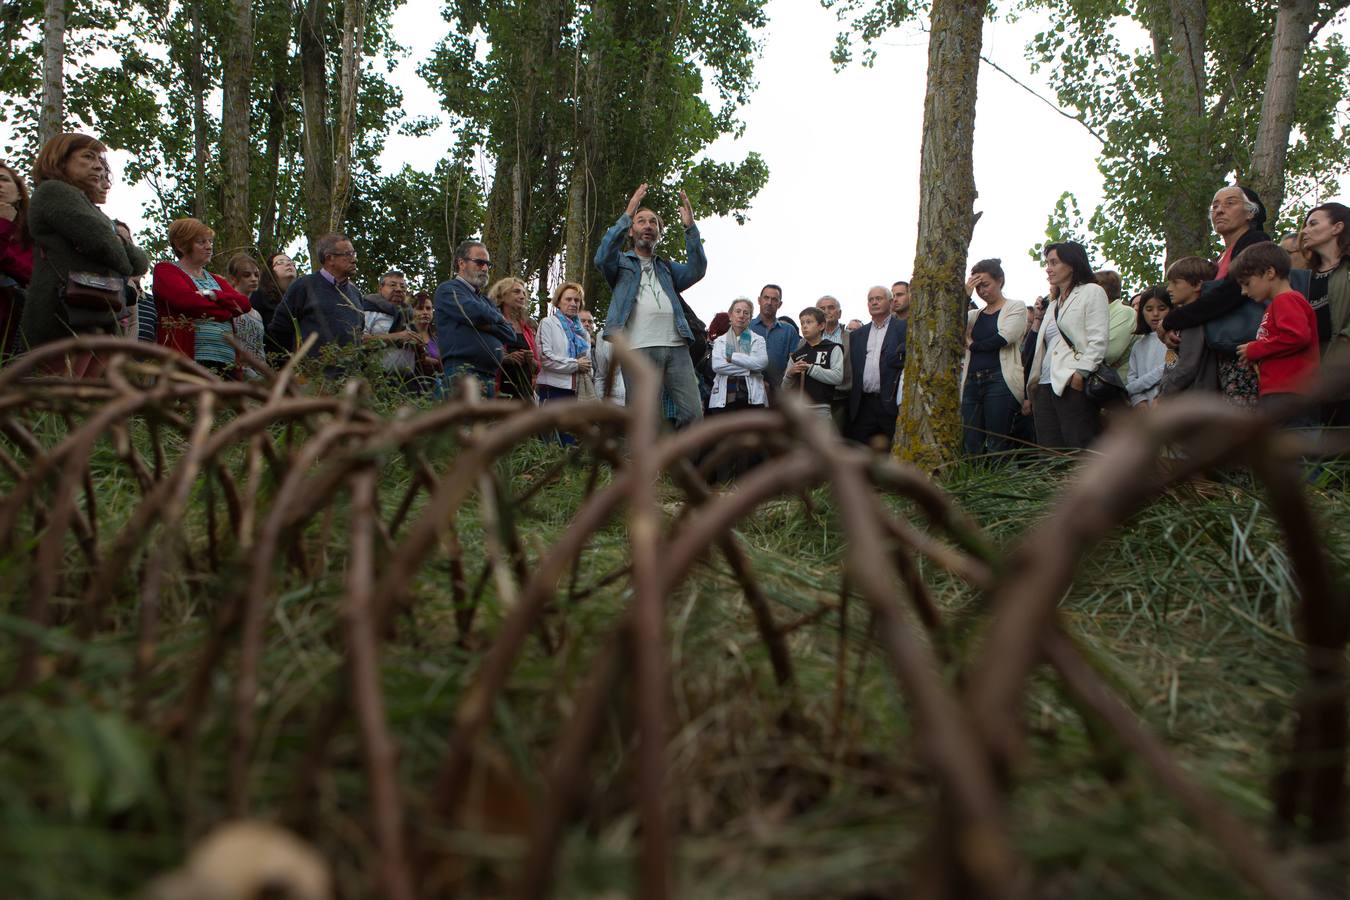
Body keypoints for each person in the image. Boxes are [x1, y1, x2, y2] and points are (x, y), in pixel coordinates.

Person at [20, 133, 149, 376]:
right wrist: (118, 244)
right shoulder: (54, 191)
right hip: (63, 316)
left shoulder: (90, 207)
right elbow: (110, 249)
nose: (99, 165)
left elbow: (139, 263)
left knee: (88, 400)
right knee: (60, 396)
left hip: (91, 314)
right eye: (88, 157)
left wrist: (117, 244)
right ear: (59, 161)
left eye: (99, 159)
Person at [595, 182, 706, 427]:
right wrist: (628, 211)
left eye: (653, 222)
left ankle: (675, 461)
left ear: (659, 232)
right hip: (638, 348)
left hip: (676, 346)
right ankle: (644, 465)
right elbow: (602, 257)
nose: (648, 225)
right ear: (632, 231)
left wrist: (690, 228)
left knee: (694, 413)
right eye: (641, 221)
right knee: (642, 418)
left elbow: (697, 270)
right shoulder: (621, 264)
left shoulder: (666, 268)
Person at [1161, 185, 1272, 409]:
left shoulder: (1255, 242)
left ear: (1251, 212)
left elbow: (1230, 293)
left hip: (1245, 355)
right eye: (1215, 206)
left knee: (1242, 428)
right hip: (1222, 356)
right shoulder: (1221, 258)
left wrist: (1172, 320)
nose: (1219, 210)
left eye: (1230, 203)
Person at [1025, 241, 1109, 449]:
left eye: (1054, 262)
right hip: (1044, 384)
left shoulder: (1092, 291)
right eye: (1047, 262)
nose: (1048, 268)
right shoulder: (1053, 304)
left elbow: (1098, 339)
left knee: (1079, 448)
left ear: (1071, 264)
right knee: (1050, 453)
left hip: (1070, 382)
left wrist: (1080, 374)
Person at [1232, 243, 1319, 428]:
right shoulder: (1278, 304)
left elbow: (1297, 336)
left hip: (1290, 393)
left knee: (1292, 449)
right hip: (1280, 392)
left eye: (1247, 284)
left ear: (1269, 272)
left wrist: (1255, 350)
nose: (1244, 292)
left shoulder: (1286, 300)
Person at [153, 218, 252, 377]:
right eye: (201, 242)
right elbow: (186, 301)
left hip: (227, 360)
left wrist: (213, 294)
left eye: (210, 241)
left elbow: (244, 303)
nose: (209, 247)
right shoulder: (165, 270)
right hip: (190, 359)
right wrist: (225, 313)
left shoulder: (217, 280)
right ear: (180, 245)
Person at [960, 259, 1028, 456]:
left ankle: (1001, 485)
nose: (982, 291)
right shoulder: (974, 315)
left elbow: (1003, 338)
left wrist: (973, 344)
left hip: (1000, 380)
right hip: (972, 381)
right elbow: (956, 325)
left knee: (998, 443)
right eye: (978, 287)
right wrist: (965, 295)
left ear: (1000, 281)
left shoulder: (1016, 307)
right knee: (971, 443)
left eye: (986, 285)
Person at [434, 240, 518, 396]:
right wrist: (498, 319)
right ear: (462, 263)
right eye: (479, 263)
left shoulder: (486, 301)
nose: (485, 268)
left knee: (483, 422)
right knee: (460, 420)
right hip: (461, 372)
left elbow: (511, 334)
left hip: (489, 377)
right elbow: (474, 312)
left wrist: (487, 326)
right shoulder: (448, 290)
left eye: (487, 264)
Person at [265, 233, 366, 357]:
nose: (354, 259)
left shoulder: (356, 294)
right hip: (312, 373)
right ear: (330, 258)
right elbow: (279, 329)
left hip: (350, 374)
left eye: (354, 253)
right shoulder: (304, 286)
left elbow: (359, 335)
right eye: (348, 254)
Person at [1300, 202, 1349, 425]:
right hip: (1312, 376)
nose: (1304, 231)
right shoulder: (1302, 278)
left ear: (1337, 227)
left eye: (1313, 224)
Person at [846, 285, 906, 449]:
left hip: (889, 403)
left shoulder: (903, 328)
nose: (874, 302)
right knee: (859, 451)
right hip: (863, 404)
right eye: (870, 300)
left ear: (890, 302)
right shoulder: (858, 335)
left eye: (878, 299)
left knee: (891, 451)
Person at [1159, 256, 1220, 397]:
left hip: (1193, 399)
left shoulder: (1193, 321)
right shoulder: (1180, 320)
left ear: (1197, 285)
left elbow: (1187, 366)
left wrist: (1165, 393)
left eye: (1175, 283)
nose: (1169, 289)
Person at [537, 280, 593, 407]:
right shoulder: (548, 323)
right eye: (568, 299)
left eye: (577, 300)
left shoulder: (583, 332)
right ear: (558, 302)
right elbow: (545, 358)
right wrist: (576, 364)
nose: (573, 303)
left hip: (579, 390)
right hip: (553, 389)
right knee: (552, 427)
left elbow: (587, 363)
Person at [783, 306, 844, 420]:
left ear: (821, 326)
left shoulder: (833, 348)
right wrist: (789, 374)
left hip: (822, 410)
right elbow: (784, 389)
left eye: (809, 322)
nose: (804, 326)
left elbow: (838, 377)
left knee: (821, 438)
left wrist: (810, 368)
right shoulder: (797, 355)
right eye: (802, 323)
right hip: (799, 411)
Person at [0, 160, 34, 359]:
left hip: (13, 334)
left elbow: (31, 272)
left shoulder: (30, 235)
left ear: (20, 193)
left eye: (3, 180)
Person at [486, 276, 538, 400]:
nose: (522, 296)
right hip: (499, 393)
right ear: (502, 296)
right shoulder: (492, 324)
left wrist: (530, 360)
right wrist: (504, 358)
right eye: (516, 292)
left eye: (524, 293)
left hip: (524, 394)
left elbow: (537, 368)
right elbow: (482, 356)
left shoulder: (526, 328)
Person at [749, 283, 797, 402]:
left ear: (779, 304)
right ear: (759, 300)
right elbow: (739, 357)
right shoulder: (746, 327)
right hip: (750, 389)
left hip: (780, 394)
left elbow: (794, 362)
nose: (769, 302)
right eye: (766, 298)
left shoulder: (789, 330)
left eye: (774, 299)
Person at [1126, 286, 1171, 407]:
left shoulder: (1174, 338)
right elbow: (1132, 376)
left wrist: (1132, 388)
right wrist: (1139, 400)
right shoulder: (1138, 345)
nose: (1155, 314)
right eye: (1149, 309)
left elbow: (1170, 368)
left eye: (1161, 308)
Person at [223, 253, 267, 374]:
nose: (253, 279)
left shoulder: (257, 314)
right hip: (233, 371)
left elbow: (259, 350)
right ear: (233, 278)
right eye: (247, 275)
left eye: (256, 275)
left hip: (256, 374)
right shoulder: (228, 307)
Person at [816, 294, 853, 427]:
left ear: (839, 313)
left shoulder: (852, 338)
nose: (826, 311)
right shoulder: (805, 341)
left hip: (843, 399)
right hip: (815, 402)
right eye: (822, 308)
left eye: (830, 308)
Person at [1096, 269, 1138, 381]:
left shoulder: (1124, 313)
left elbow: (1108, 353)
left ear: (1100, 290)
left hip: (1118, 388)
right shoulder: (1100, 314)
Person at [253, 251, 297, 330]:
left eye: (291, 262)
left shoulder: (303, 299)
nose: (288, 264)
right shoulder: (259, 295)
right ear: (270, 270)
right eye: (280, 262)